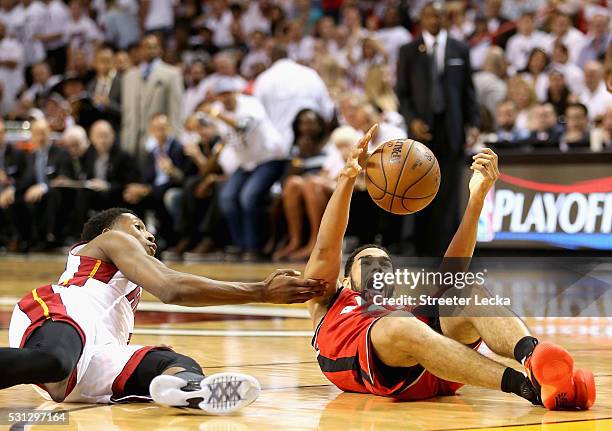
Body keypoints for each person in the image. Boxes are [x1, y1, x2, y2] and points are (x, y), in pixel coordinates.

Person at [304, 124, 595, 410]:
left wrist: (477, 198)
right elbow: (327, 247)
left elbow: (452, 276)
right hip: (381, 367)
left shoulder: (402, 305)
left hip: (441, 365)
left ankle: (534, 358)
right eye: (366, 263)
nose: (378, 268)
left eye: (385, 264)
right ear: (344, 278)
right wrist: (346, 178)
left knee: (464, 291)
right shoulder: (326, 301)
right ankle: (527, 387)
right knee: (400, 326)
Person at [1, 207, 326, 413]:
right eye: (138, 226)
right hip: (64, 312)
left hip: (94, 357)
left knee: (175, 362)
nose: (149, 234)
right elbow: (171, 287)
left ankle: (190, 390)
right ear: (106, 233)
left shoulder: (126, 284)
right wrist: (261, 291)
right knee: (56, 362)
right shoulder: (111, 241)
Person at [396, 1, 479, 256]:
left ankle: (447, 247)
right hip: (422, 129)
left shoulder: (460, 48)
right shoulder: (408, 50)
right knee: (419, 186)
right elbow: (402, 92)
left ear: (446, 19)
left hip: (451, 127)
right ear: (422, 18)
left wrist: (473, 123)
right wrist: (412, 120)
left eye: (439, 16)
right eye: (430, 16)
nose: (435, 20)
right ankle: (416, 244)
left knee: (449, 189)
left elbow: (467, 90)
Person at [209, 78, 287, 261]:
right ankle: (240, 245)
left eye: (229, 93)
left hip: (269, 158)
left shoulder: (250, 105)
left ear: (235, 92)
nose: (226, 97)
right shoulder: (219, 113)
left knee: (249, 197)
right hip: (246, 163)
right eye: (222, 94)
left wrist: (217, 115)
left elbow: (243, 126)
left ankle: (254, 246)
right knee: (227, 197)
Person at [253, 45, 335, 151]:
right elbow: (328, 110)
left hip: (281, 145)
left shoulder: (263, 80)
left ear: (270, 59)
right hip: (317, 143)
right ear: (289, 56)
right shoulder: (309, 73)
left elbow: (259, 115)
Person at [121, 34, 183, 162]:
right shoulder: (129, 76)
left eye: (153, 47)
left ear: (160, 50)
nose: (149, 50)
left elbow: (175, 113)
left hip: (158, 141)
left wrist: (173, 144)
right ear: (139, 50)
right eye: (145, 47)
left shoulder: (172, 74)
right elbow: (126, 113)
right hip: (130, 141)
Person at [0, 118, 27, 251]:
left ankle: (14, 239)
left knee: (11, 202)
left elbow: (25, 178)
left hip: (11, 192)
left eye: (1, 133)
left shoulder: (17, 153)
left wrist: (11, 185)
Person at [87, 46, 122, 132]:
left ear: (114, 62)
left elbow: (126, 110)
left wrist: (108, 103)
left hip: (115, 128)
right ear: (95, 63)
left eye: (108, 60)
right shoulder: (91, 84)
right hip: (94, 128)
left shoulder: (121, 82)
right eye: (101, 61)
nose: (104, 64)